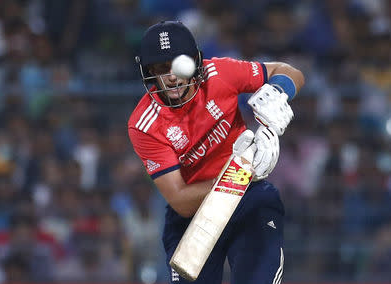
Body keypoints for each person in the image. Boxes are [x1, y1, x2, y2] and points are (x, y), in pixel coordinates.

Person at [128, 21, 304, 284]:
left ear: (195, 62)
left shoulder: (218, 73)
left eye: (178, 64)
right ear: (149, 72)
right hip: (195, 214)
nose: (172, 76)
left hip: (249, 201)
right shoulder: (144, 124)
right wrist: (241, 171)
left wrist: (278, 93)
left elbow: (290, 71)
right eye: (162, 69)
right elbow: (180, 201)